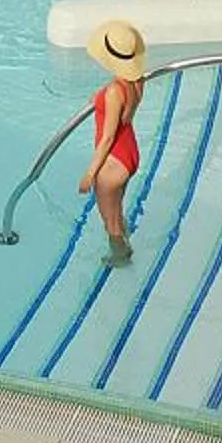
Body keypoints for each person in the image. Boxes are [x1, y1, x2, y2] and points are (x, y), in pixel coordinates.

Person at [80, 20, 147, 266]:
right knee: (117, 206)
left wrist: (90, 173)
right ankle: (122, 237)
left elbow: (107, 137)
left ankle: (120, 255)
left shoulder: (113, 92)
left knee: (109, 217)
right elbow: (121, 112)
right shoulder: (137, 82)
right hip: (130, 152)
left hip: (112, 162)